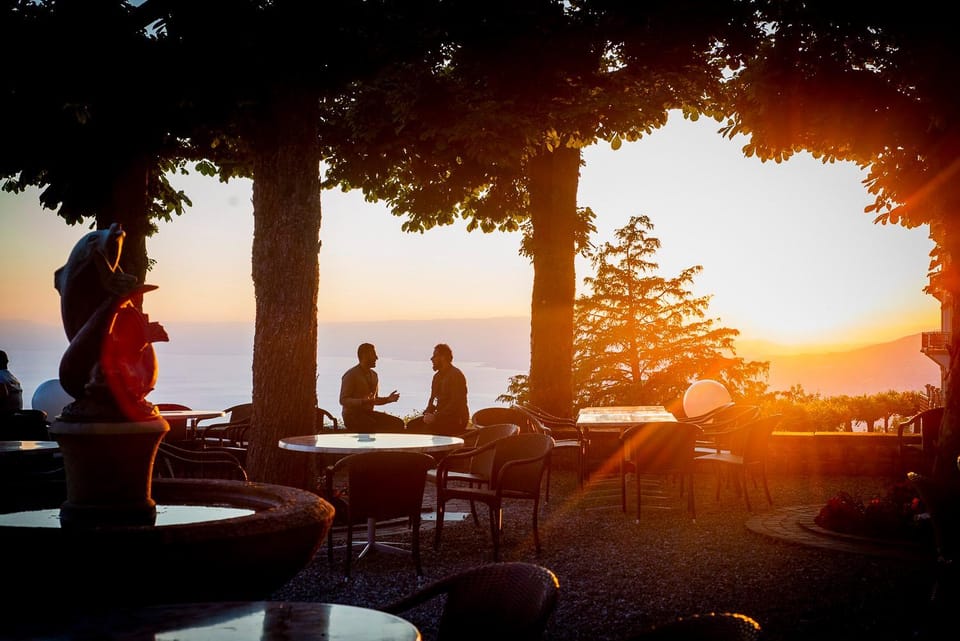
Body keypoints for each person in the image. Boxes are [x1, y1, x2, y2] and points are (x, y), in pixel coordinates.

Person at [339, 343, 405, 432]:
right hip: (352, 416)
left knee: (398, 423)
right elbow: (343, 400)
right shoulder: (351, 375)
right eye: (373, 354)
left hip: (368, 414)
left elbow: (374, 400)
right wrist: (362, 401)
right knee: (370, 424)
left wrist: (388, 399)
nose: (376, 358)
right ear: (364, 355)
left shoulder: (374, 375)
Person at [410, 343, 469, 436]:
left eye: (434, 356)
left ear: (443, 358)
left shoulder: (456, 375)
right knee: (412, 425)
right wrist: (428, 412)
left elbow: (455, 403)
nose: (431, 359)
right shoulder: (437, 377)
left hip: (456, 419)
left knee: (426, 430)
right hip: (440, 417)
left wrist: (435, 417)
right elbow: (433, 399)